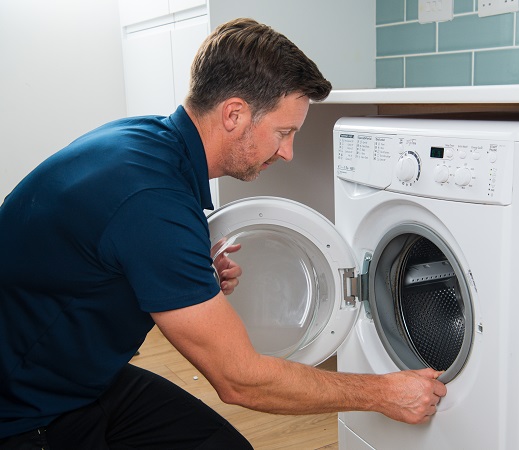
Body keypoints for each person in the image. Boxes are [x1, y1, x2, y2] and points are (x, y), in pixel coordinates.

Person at [0, 17, 446, 449]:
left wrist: (187, 272)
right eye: (284, 132)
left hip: (78, 374)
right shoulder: (153, 202)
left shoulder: (145, 142)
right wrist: (383, 393)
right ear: (234, 113)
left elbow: (104, 256)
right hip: (26, 410)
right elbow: (239, 380)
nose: (288, 153)